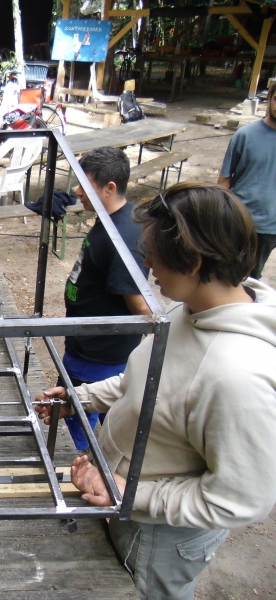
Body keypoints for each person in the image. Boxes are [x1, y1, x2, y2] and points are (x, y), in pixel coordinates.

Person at [36, 183, 276, 599]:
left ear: (194, 263)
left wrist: (128, 491)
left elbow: (239, 500)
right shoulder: (194, 307)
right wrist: (81, 399)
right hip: (131, 501)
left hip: (159, 534)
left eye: (154, 255)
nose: (146, 263)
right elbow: (146, 379)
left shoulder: (237, 377)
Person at [60, 146, 150, 453]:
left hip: (98, 355)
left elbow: (140, 304)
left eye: (84, 184)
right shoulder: (111, 219)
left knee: (82, 419)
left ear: (109, 188)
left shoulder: (123, 237)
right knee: (80, 413)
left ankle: (84, 458)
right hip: (84, 344)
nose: (77, 190)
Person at [218, 82, 276, 279]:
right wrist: (223, 216)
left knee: (251, 279)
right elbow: (224, 180)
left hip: (270, 227)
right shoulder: (245, 135)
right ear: (269, 99)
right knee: (224, 274)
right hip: (240, 220)